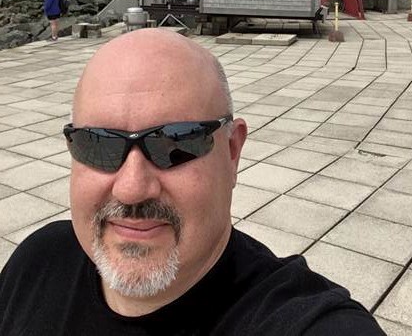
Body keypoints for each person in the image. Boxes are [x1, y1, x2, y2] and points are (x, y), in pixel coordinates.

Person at [0, 30, 386, 335]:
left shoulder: (305, 322)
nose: (132, 188)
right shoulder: (38, 261)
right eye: (98, 143)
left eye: (174, 144)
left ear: (232, 151)